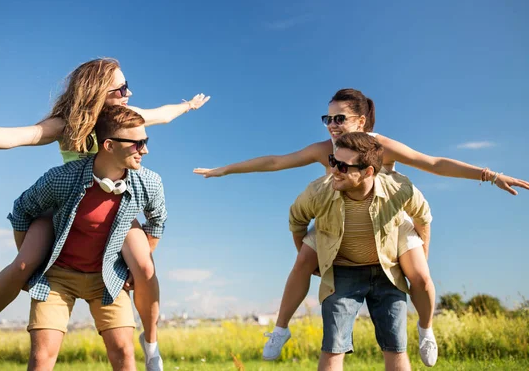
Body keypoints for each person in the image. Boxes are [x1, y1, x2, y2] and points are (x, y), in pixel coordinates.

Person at [194, 88, 529, 367]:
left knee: (422, 277)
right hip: (334, 222)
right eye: (328, 118)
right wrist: (224, 170)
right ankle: (280, 329)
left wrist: (489, 175)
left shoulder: (381, 147)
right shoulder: (325, 151)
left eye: (340, 118)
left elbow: (432, 163)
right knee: (302, 261)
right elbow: (276, 161)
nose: (331, 125)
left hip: (387, 224)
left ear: (362, 120)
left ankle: (426, 329)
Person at [0, 57, 209, 371]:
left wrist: (187, 106)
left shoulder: (127, 119)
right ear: (97, 91)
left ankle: (151, 343)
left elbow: (163, 115)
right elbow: (10, 137)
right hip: (64, 205)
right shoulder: (67, 124)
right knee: (24, 262)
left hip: (115, 209)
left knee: (145, 266)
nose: (128, 93)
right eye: (121, 89)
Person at [6, 105, 165, 370]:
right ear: (109, 145)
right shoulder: (62, 178)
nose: (145, 150)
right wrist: (29, 258)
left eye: (145, 141)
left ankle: (150, 344)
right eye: (137, 144)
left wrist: (132, 268)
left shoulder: (149, 182)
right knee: (41, 357)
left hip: (107, 278)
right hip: (57, 277)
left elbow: (157, 221)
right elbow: (22, 210)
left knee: (124, 353)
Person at [290, 132, 431, 371]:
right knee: (333, 347)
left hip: (388, 271)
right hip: (343, 272)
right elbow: (297, 222)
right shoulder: (319, 191)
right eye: (333, 162)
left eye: (343, 167)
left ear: (367, 172)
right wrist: (313, 259)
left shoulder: (399, 187)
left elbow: (423, 217)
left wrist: (421, 257)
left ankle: (426, 330)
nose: (333, 170)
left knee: (396, 347)